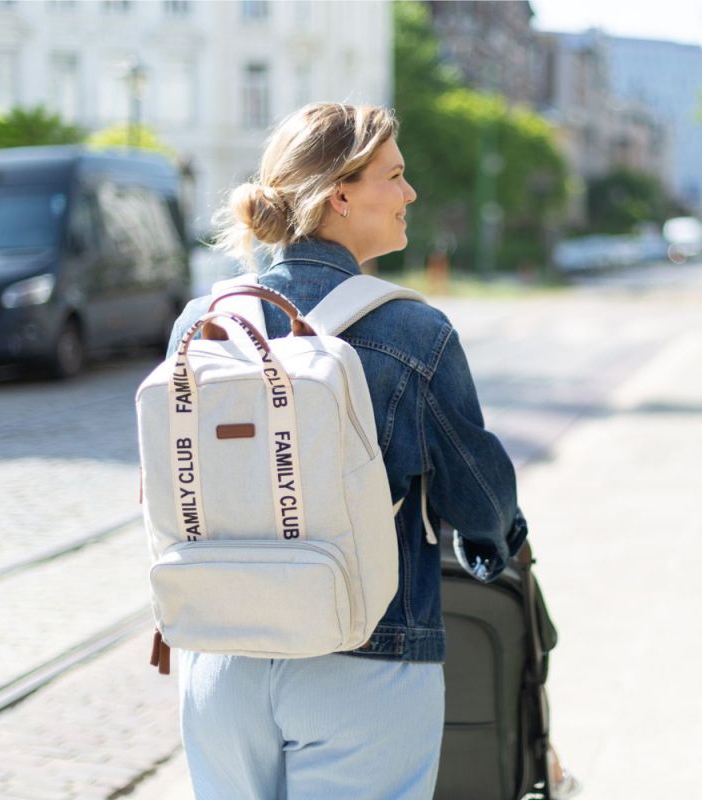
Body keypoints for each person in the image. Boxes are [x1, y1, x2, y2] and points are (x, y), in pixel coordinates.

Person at [166, 103, 527, 799]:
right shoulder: (414, 332)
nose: (409, 194)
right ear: (340, 194)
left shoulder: (202, 322)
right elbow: (480, 498)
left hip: (221, 660)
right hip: (366, 654)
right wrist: (495, 542)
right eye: (394, 176)